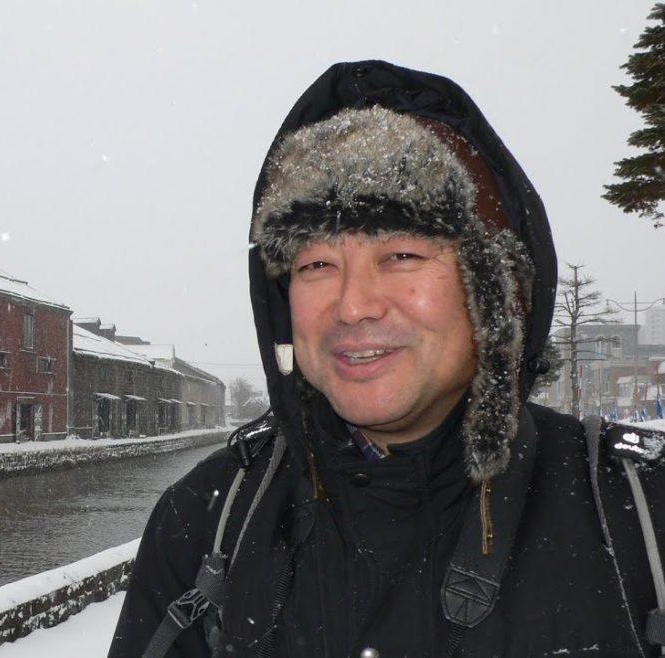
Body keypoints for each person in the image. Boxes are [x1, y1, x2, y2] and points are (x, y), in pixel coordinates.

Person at [108, 60, 665, 658]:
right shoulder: (206, 523)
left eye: (401, 254)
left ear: (495, 291)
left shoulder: (638, 515)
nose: (352, 306)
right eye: (316, 264)